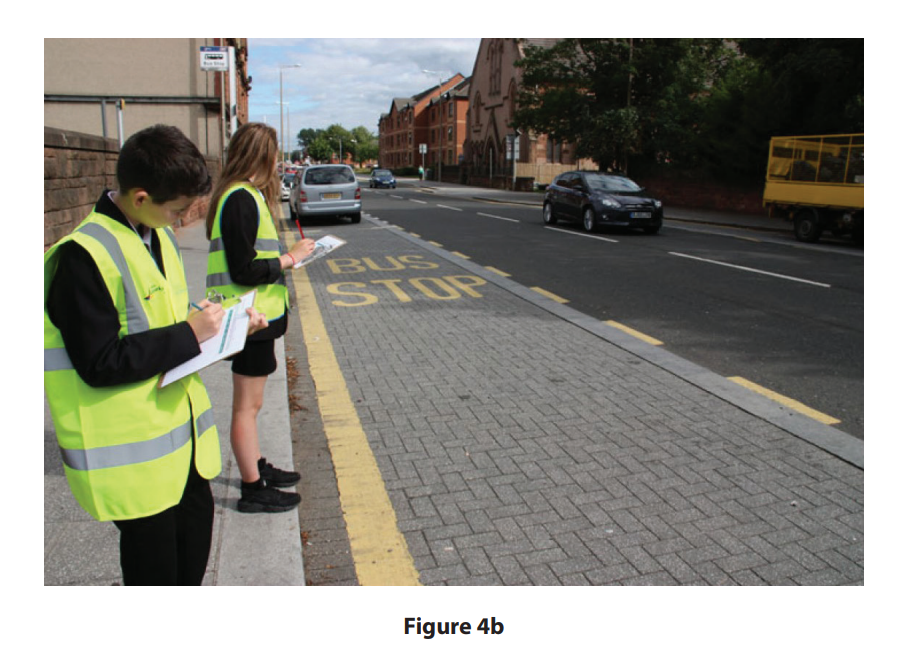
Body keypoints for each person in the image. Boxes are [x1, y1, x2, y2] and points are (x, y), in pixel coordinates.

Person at [44, 124, 267, 585]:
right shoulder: (81, 256)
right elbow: (101, 361)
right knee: (156, 578)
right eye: (179, 209)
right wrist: (190, 332)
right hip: (134, 462)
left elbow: (162, 314)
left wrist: (223, 322)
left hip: (181, 447)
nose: (183, 219)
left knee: (190, 563)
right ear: (141, 196)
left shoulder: (155, 233)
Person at [205, 122, 315, 513]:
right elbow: (243, 269)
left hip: (256, 320)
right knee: (245, 408)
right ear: (264, 156)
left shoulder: (242, 195)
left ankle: (255, 465)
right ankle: (252, 488)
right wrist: (290, 258)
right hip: (246, 320)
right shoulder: (239, 198)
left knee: (252, 405)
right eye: (275, 153)